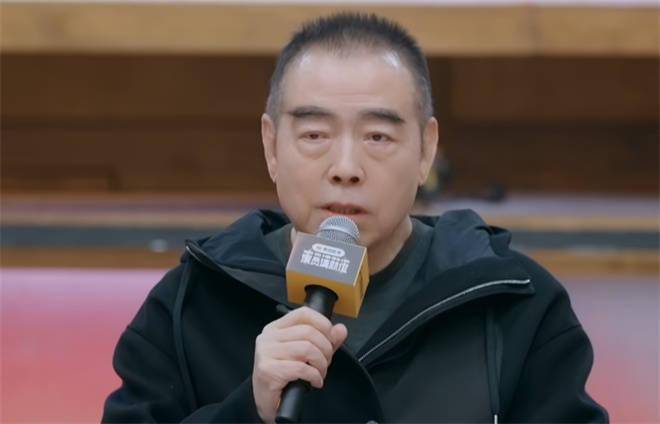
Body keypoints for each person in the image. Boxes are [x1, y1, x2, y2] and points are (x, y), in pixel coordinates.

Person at [102, 13, 608, 423]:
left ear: (426, 150)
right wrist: (248, 411)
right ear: (271, 147)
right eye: (315, 135)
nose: (345, 168)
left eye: (377, 137)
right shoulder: (193, 301)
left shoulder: (515, 303)